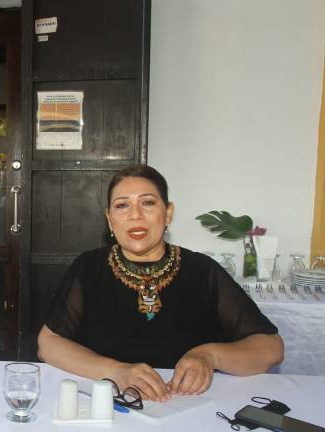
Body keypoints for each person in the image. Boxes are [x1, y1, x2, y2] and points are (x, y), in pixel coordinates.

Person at [37, 165, 283, 401]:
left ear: (169, 213)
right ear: (110, 220)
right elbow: (48, 344)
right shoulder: (89, 267)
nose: (135, 215)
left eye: (148, 203)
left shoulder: (201, 270)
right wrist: (116, 371)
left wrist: (210, 355)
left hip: (188, 406)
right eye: (122, 205)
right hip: (108, 404)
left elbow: (271, 348)